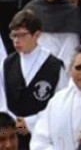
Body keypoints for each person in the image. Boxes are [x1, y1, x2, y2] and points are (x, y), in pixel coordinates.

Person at [0, 11, 67, 150]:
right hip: (12, 136)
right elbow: (2, 98)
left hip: (44, 135)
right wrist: (12, 121)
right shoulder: (7, 63)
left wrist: (31, 122)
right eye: (13, 35)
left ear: (36, 35)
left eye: (22, 35)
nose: (16, 40)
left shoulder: (54, 66)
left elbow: (61, 105)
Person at [22, 0, 81, 66]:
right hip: (34, 63)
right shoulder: (31, 9)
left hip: (62, 64)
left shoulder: (71, 11)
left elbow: (71, 46)